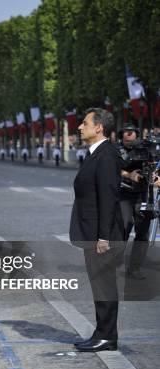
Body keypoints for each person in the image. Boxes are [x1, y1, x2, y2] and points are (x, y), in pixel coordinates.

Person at [69, 108, 124, 352]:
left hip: (101, 235)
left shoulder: (106, 155)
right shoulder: (97, 153)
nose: (80, 127)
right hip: (94, 231)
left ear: (99, 127)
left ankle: (107, 336)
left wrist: (103, 236)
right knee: (100, 284)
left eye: (84, 123)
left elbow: (108, 198)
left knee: (104, 285)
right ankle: (103, 332)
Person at [116, 123, 152, 280]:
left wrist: (155, 176)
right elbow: (111, 168)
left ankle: (135, 268)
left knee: (142, 232)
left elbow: (155, 167)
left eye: (132, 132)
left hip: (143, 194)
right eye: (126, 132)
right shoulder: (116, 150)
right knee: (124, 225)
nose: (129, 134)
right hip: (124, 194)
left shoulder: (146, 150)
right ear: (121, 135)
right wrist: (128, 175)